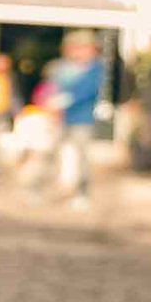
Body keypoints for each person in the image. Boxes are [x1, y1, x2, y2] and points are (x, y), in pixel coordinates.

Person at [39, 30, 105, 209]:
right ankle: (42, 189)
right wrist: (51, 101)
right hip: (61, 118)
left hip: (82, 120)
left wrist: (67, 100)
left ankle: (82, 193)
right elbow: (52, 86)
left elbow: (87, 91)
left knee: (81, 157)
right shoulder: (64, 68)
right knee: (50, 153)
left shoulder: (95, 69)